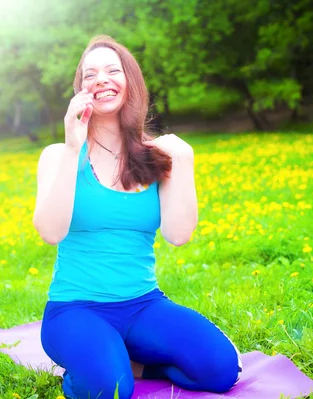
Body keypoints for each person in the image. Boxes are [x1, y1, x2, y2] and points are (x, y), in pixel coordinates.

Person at [33, 35, 242, 399]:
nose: (101, 79)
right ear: (81, 90)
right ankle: (95, 364)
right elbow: (50, 232)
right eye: (90, 74)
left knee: (221, 369)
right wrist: (72, 146)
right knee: (110, 389)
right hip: (75, 310)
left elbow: (178, 235)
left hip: (143, 304)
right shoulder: (58, 155)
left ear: (131, 82)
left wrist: (184, 161)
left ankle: (134, 363)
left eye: (113, 70)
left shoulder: (157, 156)